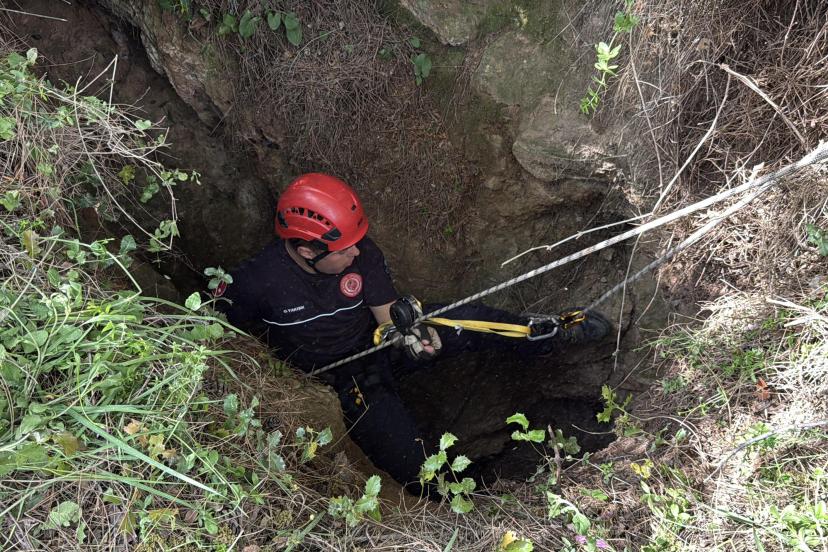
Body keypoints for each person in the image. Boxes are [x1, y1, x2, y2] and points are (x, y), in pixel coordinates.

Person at [220, 173, 611, 489]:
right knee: (412, 466)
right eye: (345, 250)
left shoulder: (361, 252)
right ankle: (451, 492)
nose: (356, 252)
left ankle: (548, 333)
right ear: (308, 251)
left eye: (356, 243)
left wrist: (409, 336)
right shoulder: (256, 283)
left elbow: (386, 315)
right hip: (341, 380)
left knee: (466, 319)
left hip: (379, 343)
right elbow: (217, 330)